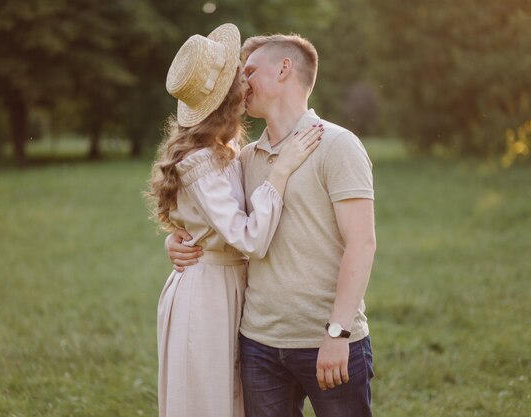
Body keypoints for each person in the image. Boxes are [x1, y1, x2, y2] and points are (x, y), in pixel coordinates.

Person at [167, 33, 377, 417]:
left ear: (284, 69)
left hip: (326, 339)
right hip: (258, 345)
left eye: (249, 71)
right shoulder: (245, 157)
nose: (241, 84)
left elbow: (362, 244)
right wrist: (177, 240)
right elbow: (225, 224)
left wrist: (337, 333)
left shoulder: (337, 144)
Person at [147, 24, 323, 417]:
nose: (247, 78)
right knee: (208, 398)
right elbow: (248, 236)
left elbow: (207, 222)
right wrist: (281, 172)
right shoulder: (199, 161)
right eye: (239, 75)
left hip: (232, 287)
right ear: (227, 96)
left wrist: (180, 238)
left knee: (235, 399)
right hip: (207, 293)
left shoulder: (226, 149)